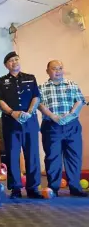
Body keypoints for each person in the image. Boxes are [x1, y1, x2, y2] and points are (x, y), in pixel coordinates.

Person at [0, 51, 43, 199]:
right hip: (11, 123)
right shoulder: (1, 81)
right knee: (12, 155)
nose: (14, 62)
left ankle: (33, 188)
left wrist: (29, 112)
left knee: (32, 155)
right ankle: (15, 188)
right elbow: (0, 101)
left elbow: (36, 97)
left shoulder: (30, 78)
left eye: (16, 59)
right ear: (6, 65)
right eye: (10, 61)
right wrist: (12, 112)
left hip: (30, 121)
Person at [39, 60, 87, 197]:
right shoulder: (41, 87)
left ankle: (75, 187)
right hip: (51, 126)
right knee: (52, 158)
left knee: (74, 157)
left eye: (60, 68)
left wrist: (71, 114)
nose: (58, 71)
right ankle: (53, 188)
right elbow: (40, 104)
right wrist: (53, 116)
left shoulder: (72, 85)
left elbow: (79, 101)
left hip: (72, 125)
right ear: (47, 71)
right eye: (54, 69)